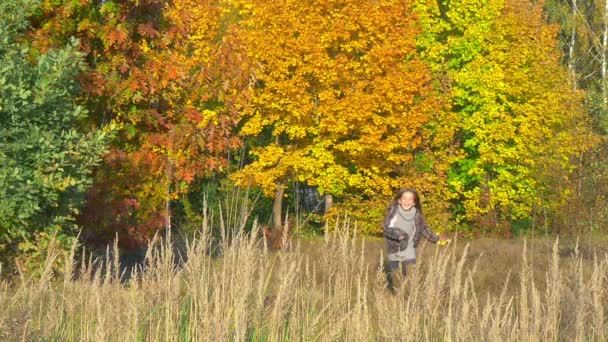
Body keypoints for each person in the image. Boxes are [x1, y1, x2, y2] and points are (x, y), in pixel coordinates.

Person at [381, 188, 448, 292]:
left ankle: (408, 295)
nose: (407, 202)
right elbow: (386, 228)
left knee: (409, 274)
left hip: (410, 249)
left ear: (414, 203)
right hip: (395, 248)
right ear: (399, 200)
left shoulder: (417, 215)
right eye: (404, 199)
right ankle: (395, 295)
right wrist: (398, 235)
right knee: (395, 275)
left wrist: (436, 238)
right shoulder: (394, 212)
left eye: (410, 199)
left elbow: (424, 229)